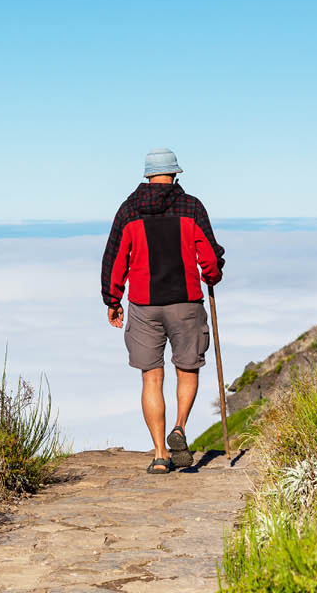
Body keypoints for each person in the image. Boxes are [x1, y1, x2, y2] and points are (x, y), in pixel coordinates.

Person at [101, 148, 225, 474]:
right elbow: (209, 258)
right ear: (176, 174)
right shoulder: (191, 207)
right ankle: (180, 428)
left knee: (151, 378)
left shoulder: (129, 210)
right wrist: (212, 276)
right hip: (186, 304)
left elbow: (115, 259)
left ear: (146, 175)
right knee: (188, 369)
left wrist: (112, 301)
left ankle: (159, 455)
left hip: (144, 307)